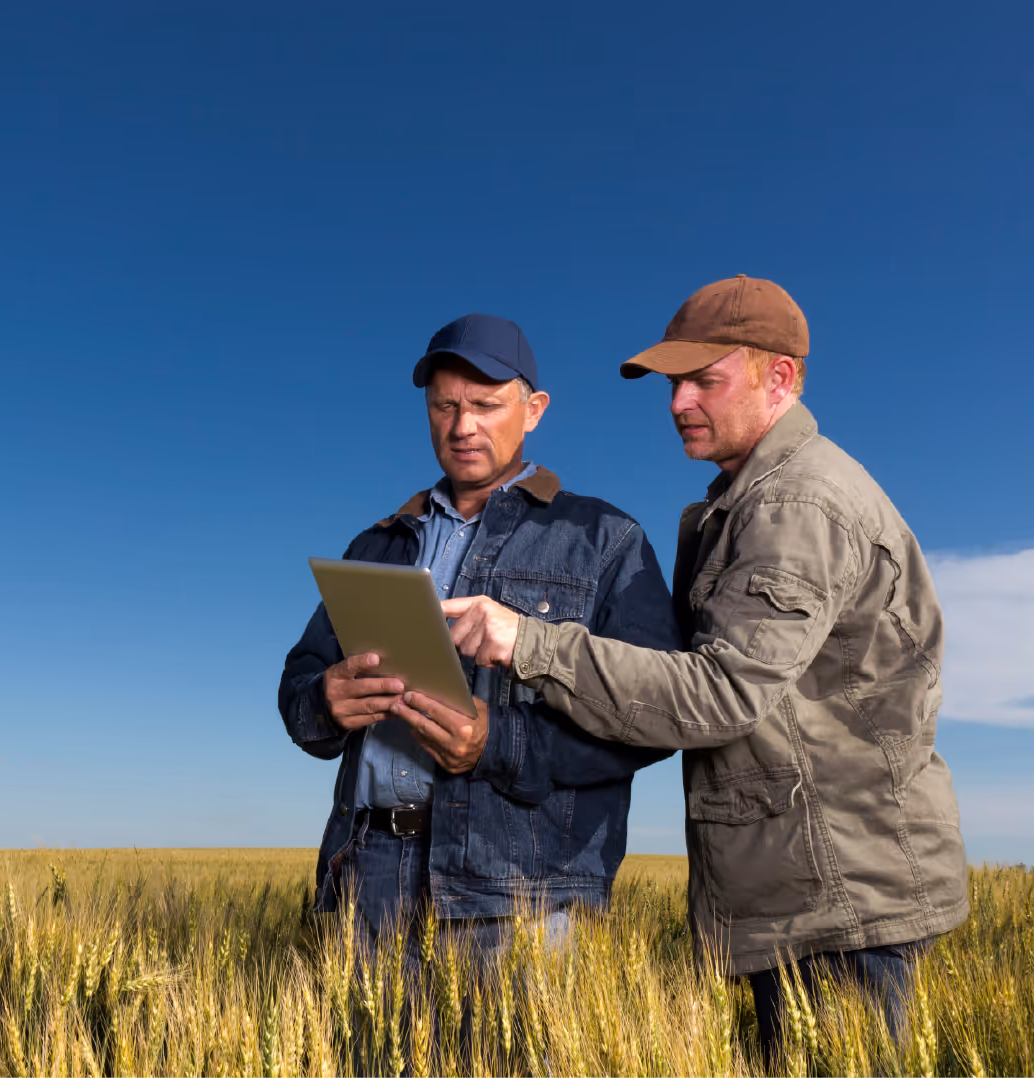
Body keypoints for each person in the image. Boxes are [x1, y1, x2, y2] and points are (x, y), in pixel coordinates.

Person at [440, 277, 968, 1061]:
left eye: (705, 380)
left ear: (779, 378)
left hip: (838, 897)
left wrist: (529, 642)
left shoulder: (798, 505)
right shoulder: (749, 500)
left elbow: (722, 695)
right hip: (810, 889)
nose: (679, 401)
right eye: (671, 382)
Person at [278, 313, 680, 960]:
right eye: (445, 406)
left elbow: (656, 715)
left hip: (521, 892)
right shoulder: (376, 544)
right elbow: (300, 683)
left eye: (487, 406)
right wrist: (324, 701)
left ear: (534, 410)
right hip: (369, 877)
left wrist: (499, 742)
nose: (463, 427)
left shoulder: (606, 541)